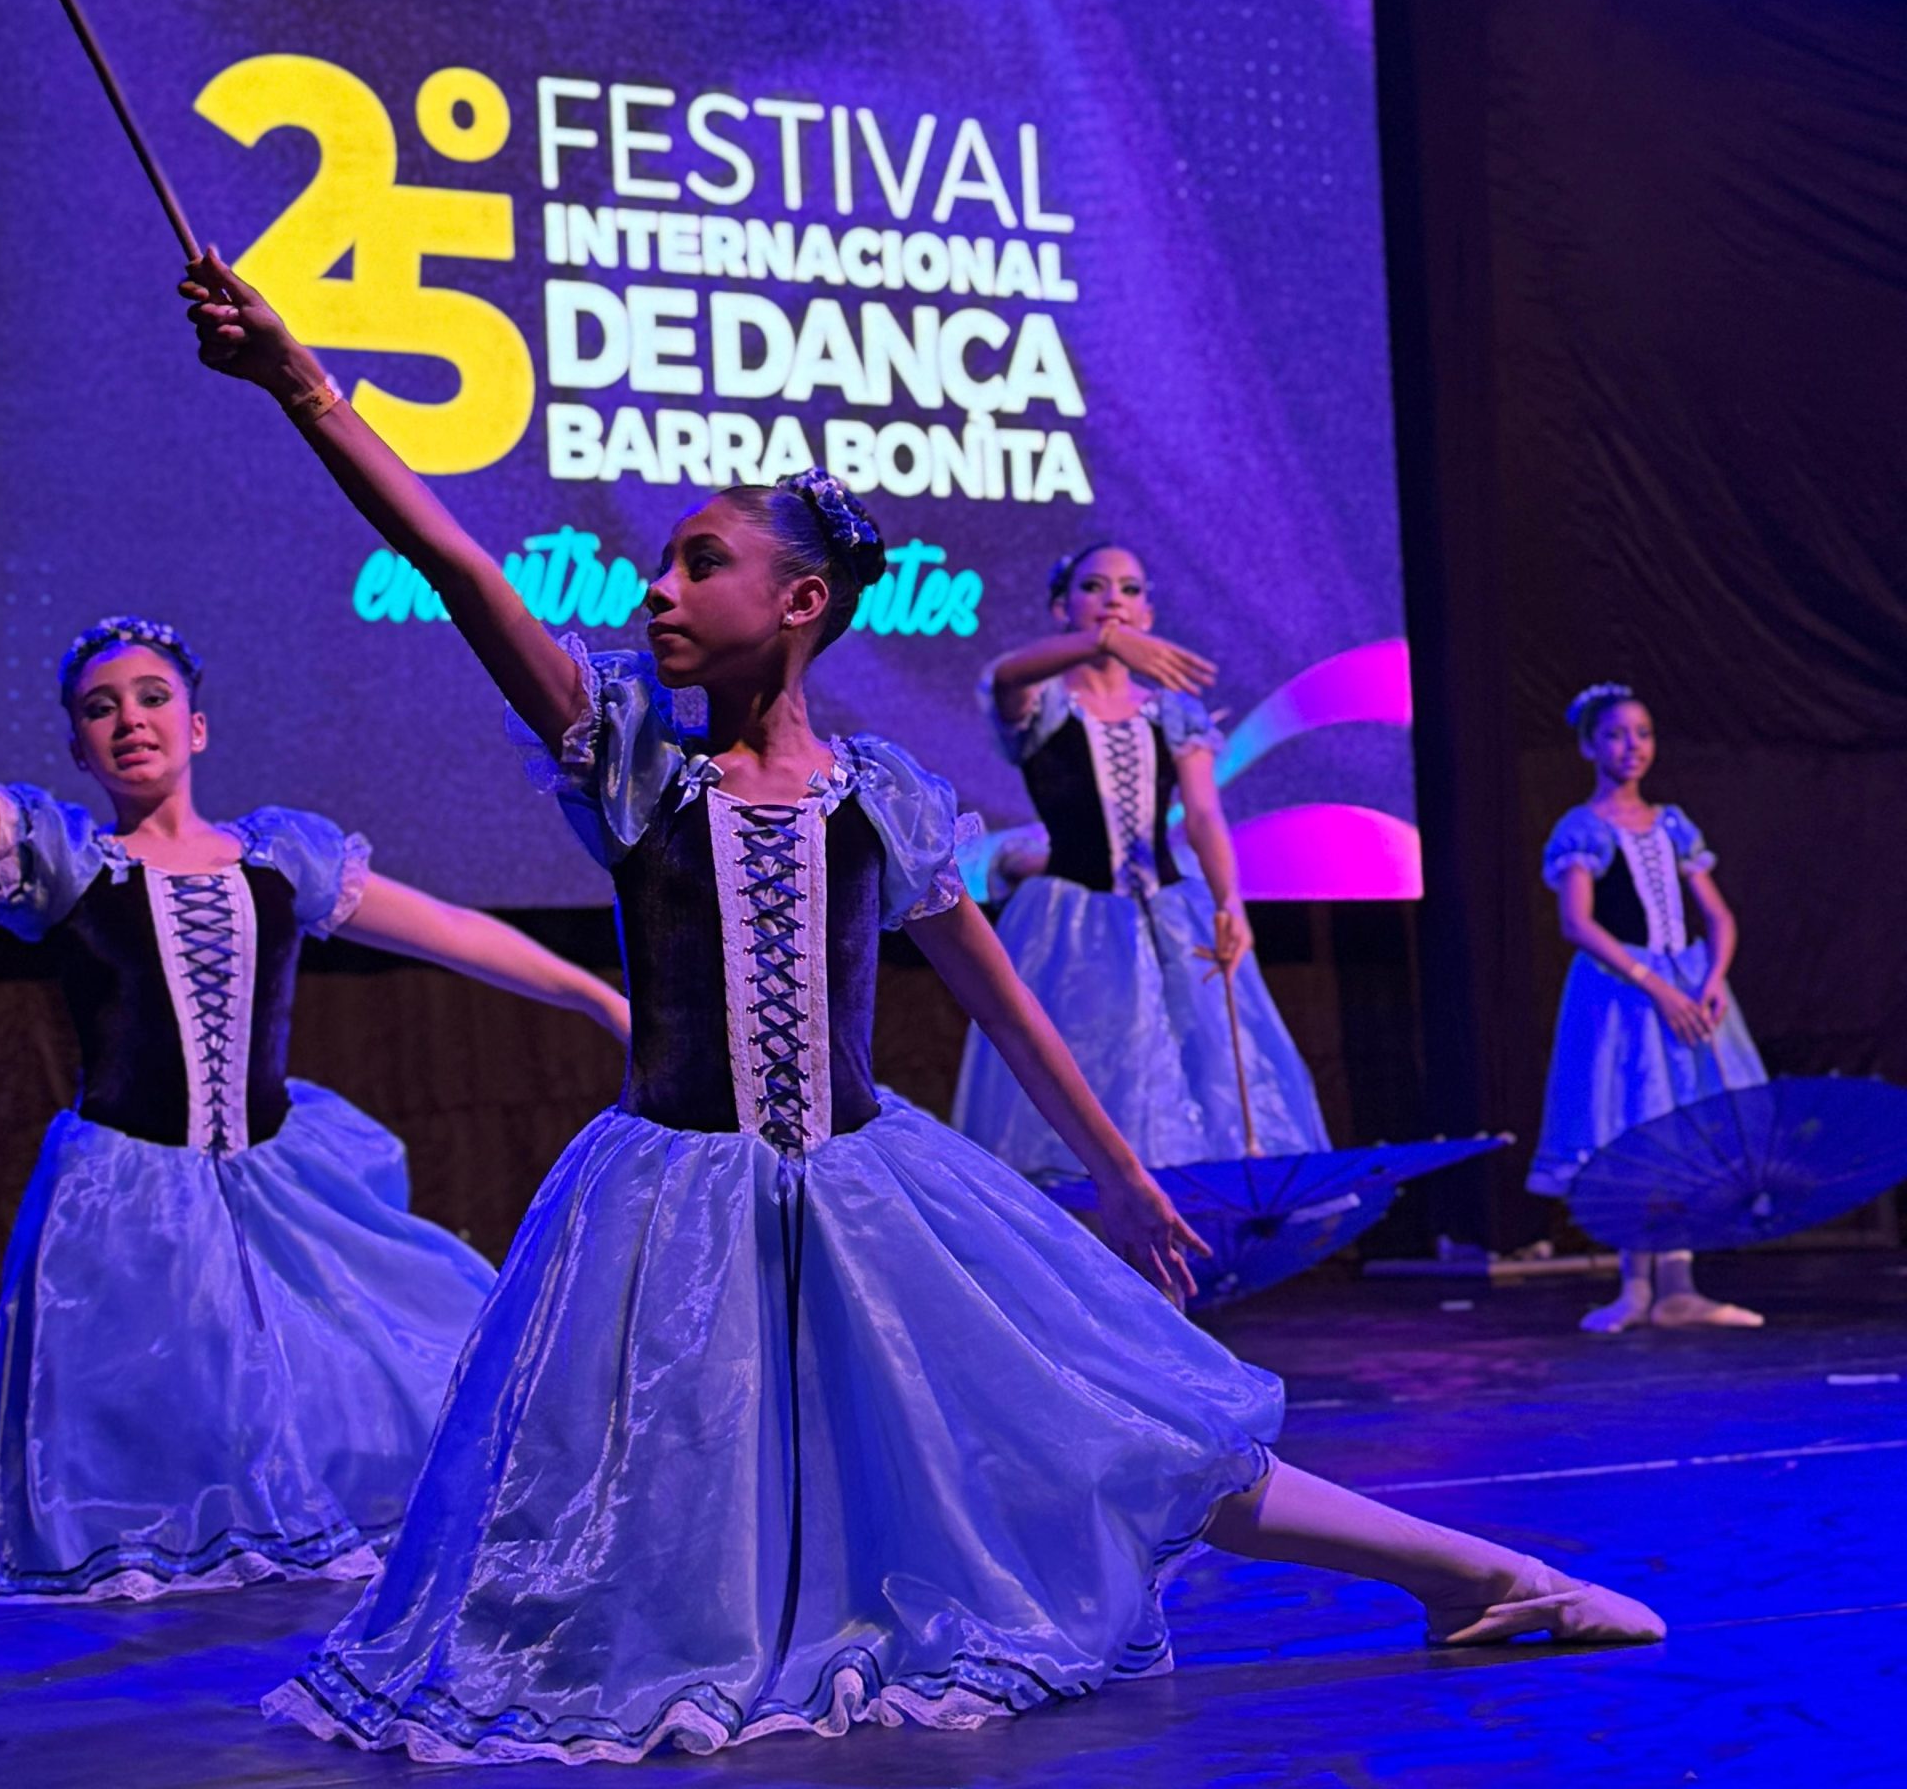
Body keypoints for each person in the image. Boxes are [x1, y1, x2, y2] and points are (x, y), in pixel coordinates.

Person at [181, 252, 1663, 1764]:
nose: (656, 589)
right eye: (661, 567)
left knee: (1112, 1414)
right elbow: (452, 563)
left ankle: (1481, 1574)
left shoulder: (878, 798)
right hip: (671, 1209)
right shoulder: (636, 764)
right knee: (649, 1486)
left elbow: (1004, 1004)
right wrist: (302, 383)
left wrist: (1123, 1174)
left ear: (800, 602)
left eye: (698, 562)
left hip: (868, 1187)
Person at [0, 563, 629, 1601]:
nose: (130, 720)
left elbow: (452, 930)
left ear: (196, 727)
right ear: (78, 748)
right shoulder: (65, 861)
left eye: (153, 697)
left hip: (278, 1184)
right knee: (159, 1408)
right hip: (128, 1200)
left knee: (405, 1353)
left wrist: (602, 999)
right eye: (100, 708)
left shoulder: (279, 860)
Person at [954, 544, 1333, 1177]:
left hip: (1170, 916)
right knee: (1087, 1070)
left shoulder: (1172, 713)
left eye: (1129, 590)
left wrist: (1229, 901)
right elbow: (1004, 679)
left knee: (1203, 1075)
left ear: (1148, 613)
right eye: (1094, 588)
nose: (1113, 601)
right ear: (1062, 607)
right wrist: (1103, 641)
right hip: (1070, 926)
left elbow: (1204, 814)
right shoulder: (1046, 704)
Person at [1533, 684, 1766, 1334]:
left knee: (1689, 1126)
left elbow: (1718, 915)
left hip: (1688, 987)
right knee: (1635, 1126)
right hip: (1624, 996)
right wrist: (1654, 984)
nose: (1631, 746)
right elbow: (1578, 922)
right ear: (1589, 746)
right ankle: (1635, 1287)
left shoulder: (1672, 824)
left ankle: (1680, 1289)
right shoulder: (1583, 828)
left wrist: (1712, 978)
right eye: (1615, 735)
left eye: (1642, 733)